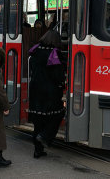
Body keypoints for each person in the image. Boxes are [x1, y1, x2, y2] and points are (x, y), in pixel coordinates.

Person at [28, 29, 66, 158]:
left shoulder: (35, 50)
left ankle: (37, 151)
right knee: (58, 114)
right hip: (50, 91)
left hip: (35, 89)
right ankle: (44, 136)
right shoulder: (55, 53)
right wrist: (62, 84)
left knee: (38, 122)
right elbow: (58, 75)